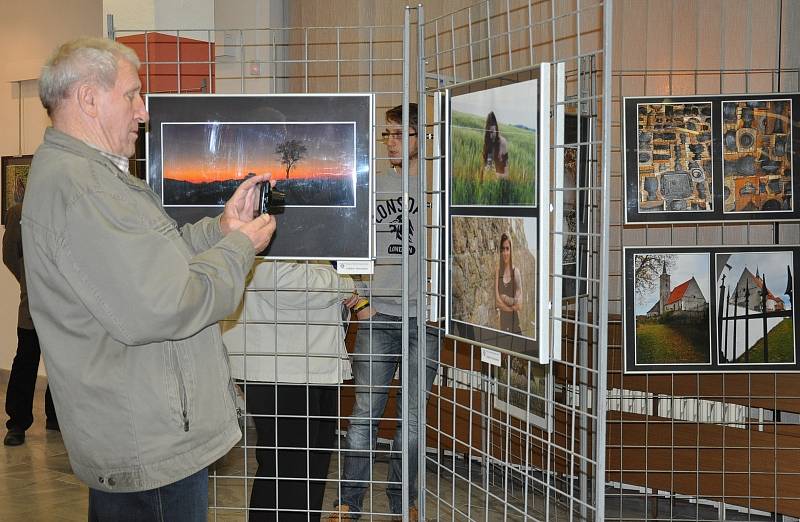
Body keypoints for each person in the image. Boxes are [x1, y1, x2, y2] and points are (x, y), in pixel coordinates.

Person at [21, 37, 276, 522]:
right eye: (133, 95)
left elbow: (155, 261)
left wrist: (220, 230)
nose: (143, 112)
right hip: (149, 445)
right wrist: (240, 249)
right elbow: (168, 303)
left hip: (146, 435)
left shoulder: (93, 179)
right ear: (89, 99)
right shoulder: (85, 189)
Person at [327, 104, 439, 522]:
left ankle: (404, 501)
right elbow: (345, 246)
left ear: (422, 138)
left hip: (425, 320)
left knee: (411, 422)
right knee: (363, 417)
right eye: (387, 134)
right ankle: (347, 503)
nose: (391, 141)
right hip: (378, 315)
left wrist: (442, 305)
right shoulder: (371, 186)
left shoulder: (437, 190)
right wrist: (358, 302)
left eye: (401, 133)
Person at [223, 260, 355, 521]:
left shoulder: (312, 227)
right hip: (280, 367)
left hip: (311, 364)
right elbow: (281, 285)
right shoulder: (274, 222)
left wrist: (335, 283)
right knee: (288, 473)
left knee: (310, 471)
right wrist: (344, 283)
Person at [2, 202, 59, 446]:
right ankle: (17, 423)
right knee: (25, 361)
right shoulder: (18, 212)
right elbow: (10, 256)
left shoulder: (63, 207)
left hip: (62, 308)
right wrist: (28, 281)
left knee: (60, 366)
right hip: (31, 307)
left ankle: (56, 418)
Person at [495, 233, 522, 334]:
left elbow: (519, 305)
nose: (505, 253)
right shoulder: (498, 272)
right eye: (502, 249)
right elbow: (497, 302)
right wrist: (511, 304)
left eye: (507, 249)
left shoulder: (516, 272)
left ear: (511, 250)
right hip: (503, 327)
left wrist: (504, 297)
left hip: (515, 326)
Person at [482, 111, 509, 177]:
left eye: (492, 131)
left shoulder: (503, 143)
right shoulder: (487, 143)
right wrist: (486, 171)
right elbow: (484, 170)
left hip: (500, 183)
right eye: (489, 133)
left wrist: (495, 175)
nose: (491, 136)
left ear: (496, 129)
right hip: (488, 183)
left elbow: (507, 175)